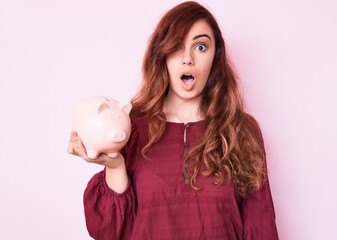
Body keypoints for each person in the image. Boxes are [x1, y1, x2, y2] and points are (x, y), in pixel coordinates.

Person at [68, 1, 279, 239]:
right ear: (163, 55)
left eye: (200, 47)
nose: (188, 58)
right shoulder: (131, 128)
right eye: (177, 46)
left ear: (214, 58)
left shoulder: (241, 130)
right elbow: (107, 231)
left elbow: (260, 226)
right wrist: (114, 165)